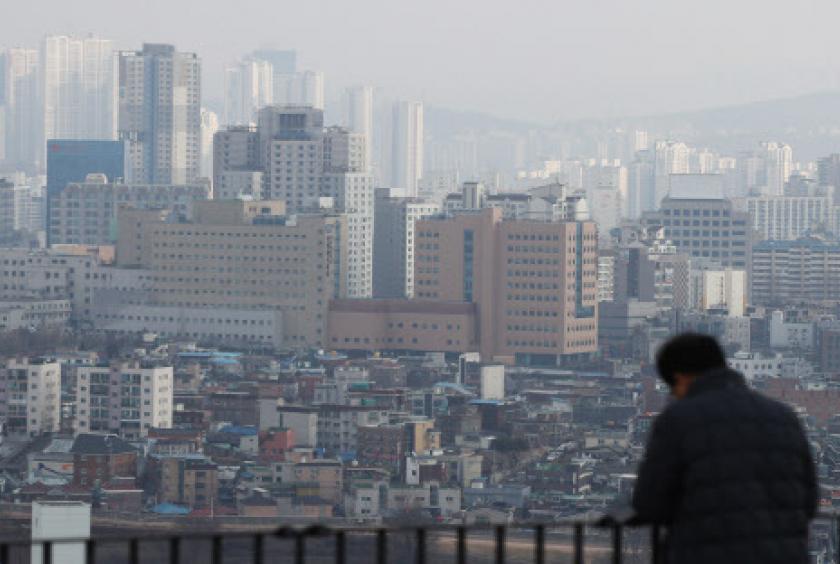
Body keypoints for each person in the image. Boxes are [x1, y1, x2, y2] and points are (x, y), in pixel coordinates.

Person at [632, 333, 818, 564]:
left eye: (672, 386)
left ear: (680, 378)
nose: (673, 394)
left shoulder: (678, 421)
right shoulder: (785, 417)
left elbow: (650, 502)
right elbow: (809, 502)